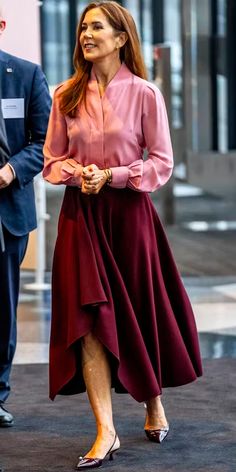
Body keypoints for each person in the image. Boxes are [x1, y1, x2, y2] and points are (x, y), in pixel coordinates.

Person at [43, 1, 202, 469]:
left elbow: (162, 161)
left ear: (120, 36)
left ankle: (153, 403)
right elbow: (53, 160)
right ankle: (105, 431)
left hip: (130, 217)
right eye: (82, 28)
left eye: (96, 27)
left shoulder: (146, 94)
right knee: (89, 319)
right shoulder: (65, 95)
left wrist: (111, 175)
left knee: (139, 313)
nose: (86, 35)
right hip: (81, 219)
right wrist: (80, 175)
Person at [0, 4, 51, 427]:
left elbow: (45, 141)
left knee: (2, 309)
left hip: (7, 212)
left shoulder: (27, 74)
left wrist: (11, 170)